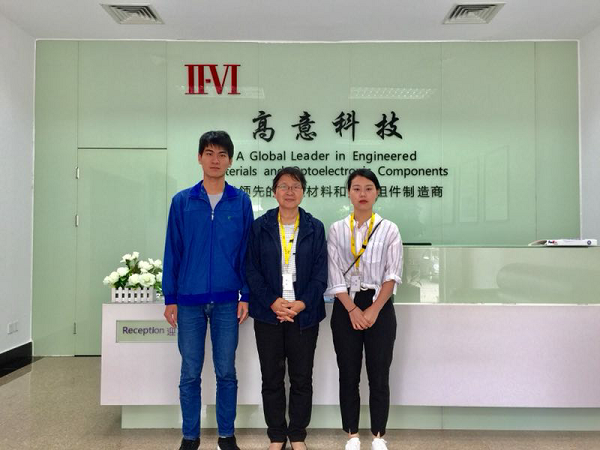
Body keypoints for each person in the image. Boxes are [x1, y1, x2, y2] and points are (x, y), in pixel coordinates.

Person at [162, 130, 253, 450]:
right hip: (189, 301)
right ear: (199, 157)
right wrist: (170, 297)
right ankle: (190, 436)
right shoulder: (182, 201)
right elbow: (173, 250)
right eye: (210, 153)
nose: (216, 160)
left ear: (230, 161)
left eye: (222, 155)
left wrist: (246, 295)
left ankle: (226, 435)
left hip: (228, 301)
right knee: (190, 372)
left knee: (226, 371)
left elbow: (247, 252)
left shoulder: (240, 201)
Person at [246, 167, 328, 450]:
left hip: (304, 314)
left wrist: (302, 303)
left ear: (303, 192)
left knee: (301, 377)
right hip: (269, 313)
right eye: (283, 186)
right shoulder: (260, 226)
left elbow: (321, 273)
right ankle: (277, 435)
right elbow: (251, 269)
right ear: (274, 192)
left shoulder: (315, 227)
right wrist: (273, 301)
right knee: (271, 377)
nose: (289, 191)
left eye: (295, 186)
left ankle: (298, 435)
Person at [326, 169, 403, 450]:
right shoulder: (337, 229)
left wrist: (373, 310)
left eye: (368, 188)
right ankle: (352, 435)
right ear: (349, 193)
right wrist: (352, 310)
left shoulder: (389, 229)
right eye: (356, 188)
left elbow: (392, 275)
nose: (362, 194)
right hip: (345, 305)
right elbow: (334, 274)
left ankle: (379, 435)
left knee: (379, 374)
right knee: (348, 373)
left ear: (377, 193)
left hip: (379, 305)